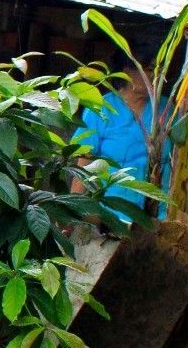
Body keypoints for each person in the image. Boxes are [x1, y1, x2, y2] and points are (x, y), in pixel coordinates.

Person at [73, 44, 172, 222]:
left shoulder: (169, 111)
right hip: (111, 219)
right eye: (149, 69)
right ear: (126, 71)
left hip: (160, 219)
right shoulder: (100, 109)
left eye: (158, 70)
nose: (155, 76)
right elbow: (83, 165)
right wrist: (72, 213)